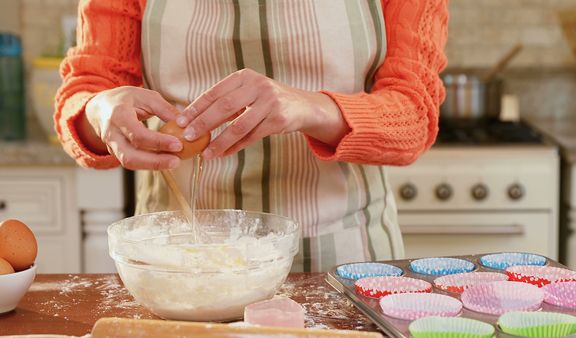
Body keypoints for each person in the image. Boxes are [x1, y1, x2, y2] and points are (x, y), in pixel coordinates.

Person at [55, 0, 448, 272]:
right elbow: (87, 90)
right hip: (176, 259)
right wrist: (100, 111)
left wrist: (311, 107)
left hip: (342, 257)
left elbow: (414, 116)